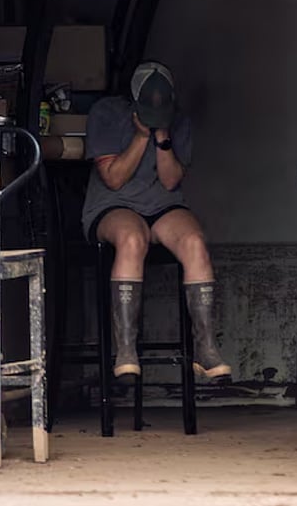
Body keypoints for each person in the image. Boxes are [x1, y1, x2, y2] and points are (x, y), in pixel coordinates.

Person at [81, 60, 232, 382]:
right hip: (114, 205)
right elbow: (114, 179)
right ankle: (125, 350)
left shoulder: (179, 121)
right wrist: (140, 135)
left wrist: (161, 135)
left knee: (194, 242)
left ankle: (205, 348)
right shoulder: (106, 113)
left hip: (162, 205)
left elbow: (170, 181)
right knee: (132, 239)